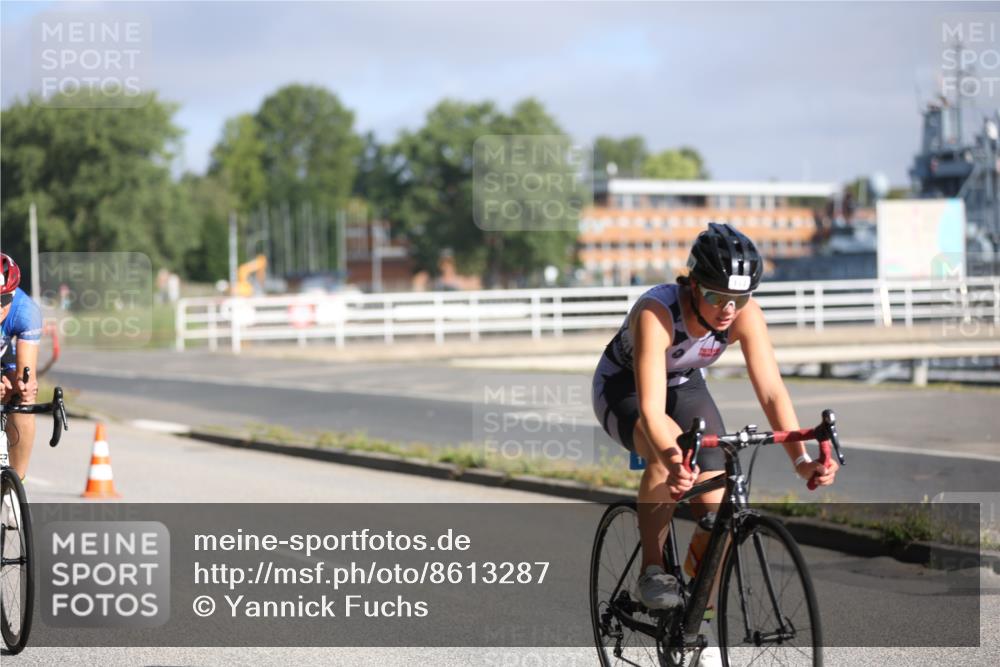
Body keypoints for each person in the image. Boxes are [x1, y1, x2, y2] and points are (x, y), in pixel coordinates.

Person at [591, 223, 838, 664]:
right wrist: (673, 459)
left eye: (738, 299)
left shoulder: (745, 314)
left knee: (718, 511)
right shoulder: (656, 312)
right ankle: (653, 570)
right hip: (624, 388)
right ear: (692, 284)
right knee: (667, 457)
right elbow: (651, 411)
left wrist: (801, 459)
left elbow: (772, 392)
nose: (728, 310)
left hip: (686, 386)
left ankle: (696, 622)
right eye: (716, 296)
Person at [1, 253, 41, 480]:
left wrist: (23, 384)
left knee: (24, 393)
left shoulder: (26, 311)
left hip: (5, 351)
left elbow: (26, 372)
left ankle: (16, 484)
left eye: (4, 299)